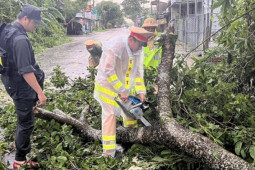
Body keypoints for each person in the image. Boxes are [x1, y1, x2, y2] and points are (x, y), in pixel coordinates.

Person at [94, 26, 154, 157]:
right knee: (110, 114)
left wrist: (141, 91)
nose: (140, 49)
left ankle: (129, 137)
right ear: (131, 40)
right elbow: (108, 70)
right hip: (107, 84)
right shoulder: (115, 46)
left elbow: (137, 72)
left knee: (130, 109)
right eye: (139, 45)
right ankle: (109, 153)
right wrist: (121, 90)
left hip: (122, 83)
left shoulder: (137, 50)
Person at [0, 4, 47, 169]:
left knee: (24, 119)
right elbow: (26, 71)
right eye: (34, 23)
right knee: (26, 122)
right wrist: (40, 93)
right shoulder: (20, 39)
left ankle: (20, 156)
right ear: (25, 18)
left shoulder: (7, 31)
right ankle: (19, 161)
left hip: (11, 82)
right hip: (20, 86)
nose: (35, 26)